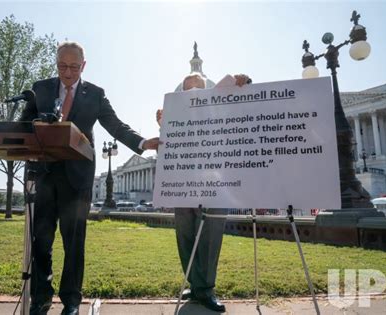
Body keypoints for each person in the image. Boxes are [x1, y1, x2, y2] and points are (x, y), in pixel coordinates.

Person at [20, 41, 159, 315]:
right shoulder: (40, 88)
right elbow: (24, 123)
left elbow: (116, 125)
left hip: (77, 177)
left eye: (73, 67)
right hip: (43, 174)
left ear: (83, 66)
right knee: (41, 240)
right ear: (56, 63)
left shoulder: (95, 94)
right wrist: (35, 125)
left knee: (74, 243)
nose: (67, 72)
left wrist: (143, 143)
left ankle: (71, 301)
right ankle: (40, 299)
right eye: (62, 66)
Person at [156, 72, 250, 313]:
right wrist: (163, 125)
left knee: (209, 237)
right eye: (188, 90)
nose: (193, 93)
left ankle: (206, 289)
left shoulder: (220, 111)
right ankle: (195, 284)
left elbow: (246, 110)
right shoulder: (176, 114)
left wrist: (242, 82)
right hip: (182, 183)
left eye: (198, 88)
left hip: (216, 183)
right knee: (185, 236)